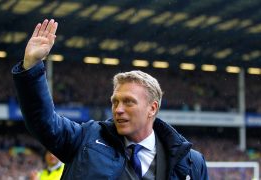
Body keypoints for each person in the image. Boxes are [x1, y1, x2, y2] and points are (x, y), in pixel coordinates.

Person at [12, 19, 209, 179]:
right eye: (115, 101)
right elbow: (43, 122)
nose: (118, 109)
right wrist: (31, 66)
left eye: (128, 102)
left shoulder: (190, 163)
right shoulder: (86, 139)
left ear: (152, 108)